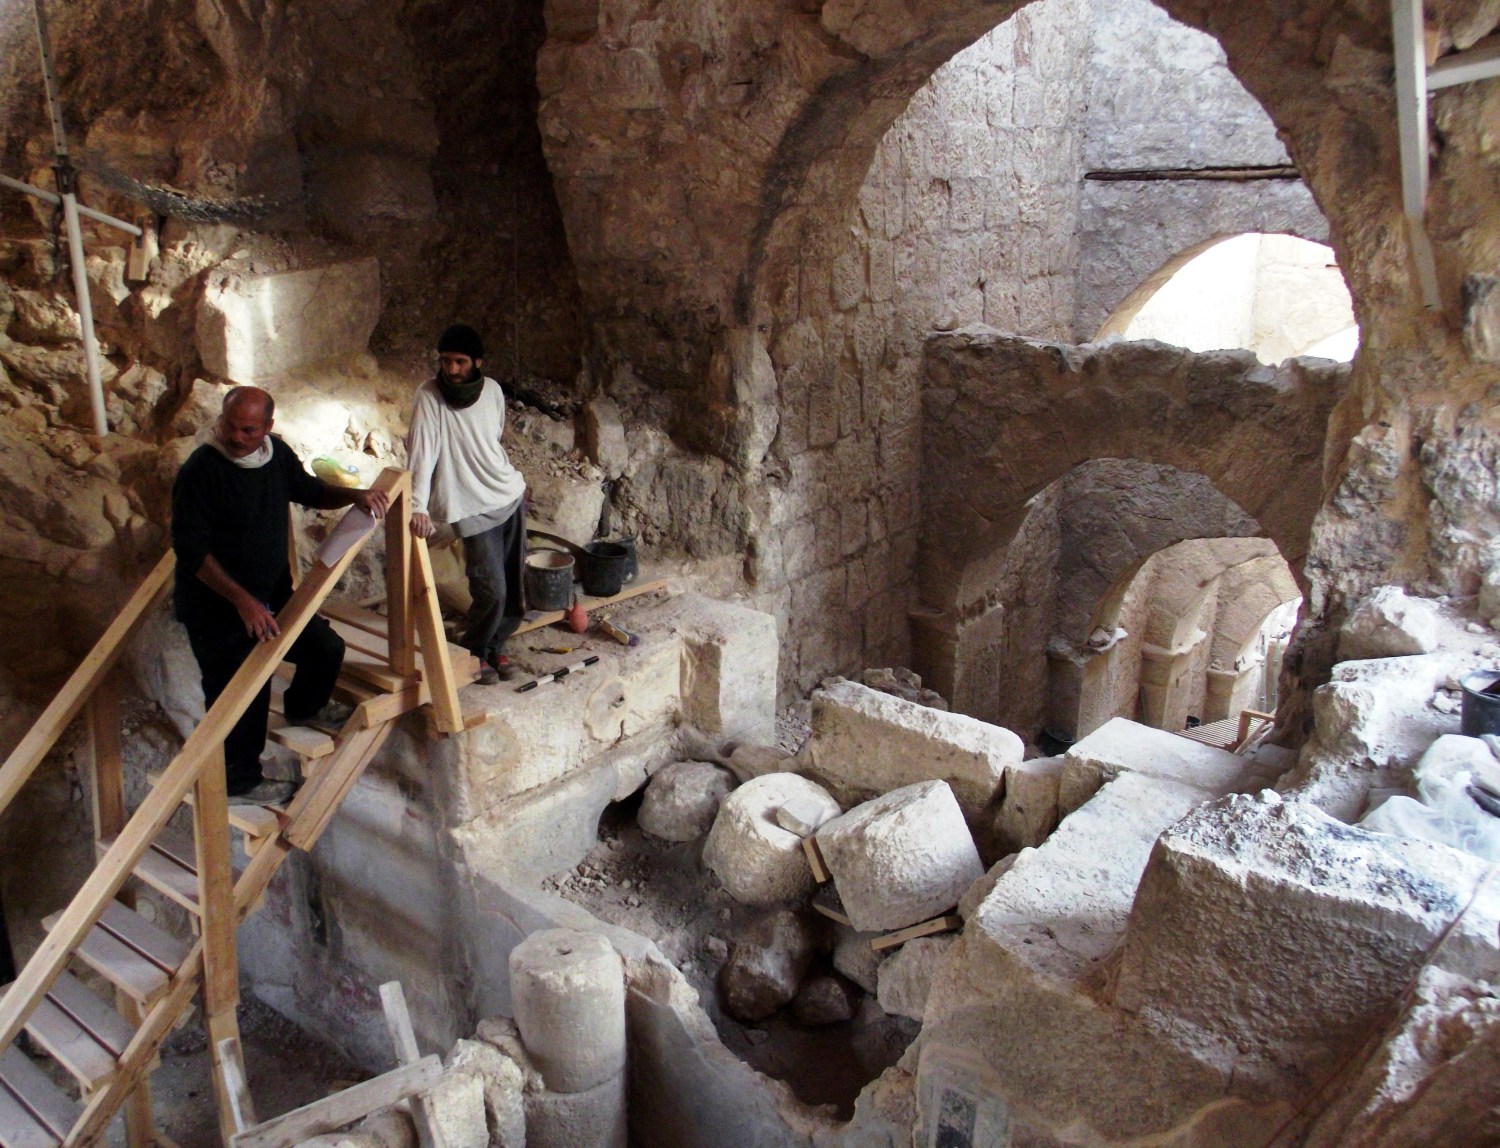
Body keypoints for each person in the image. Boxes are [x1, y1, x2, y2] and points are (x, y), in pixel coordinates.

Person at [172, 386, 389, 805]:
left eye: (248, 430)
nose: (236, 438)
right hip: (215, 608)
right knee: (240, 691)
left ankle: (305, 707)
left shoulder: (275, 455)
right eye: (230, 427)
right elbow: (192, 552)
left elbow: (310, 491)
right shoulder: (201, 471)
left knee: (324, 648)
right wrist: (242, 601)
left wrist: (355, 494)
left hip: (269, 594)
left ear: (268, 428)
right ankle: (240, 781)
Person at [406, 324, 527, 685]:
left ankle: (496, 646)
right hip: (469, 505)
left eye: (460, 362)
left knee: (514, 585)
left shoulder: (491, 390)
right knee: (491, 588)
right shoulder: (429, 396)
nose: (452, 370)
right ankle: (475, 650)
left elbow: (494, 437)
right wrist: (418, 505)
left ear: (477, 362)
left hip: (507, 493)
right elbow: (421, 453)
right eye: (446, 362)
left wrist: (509, 480)